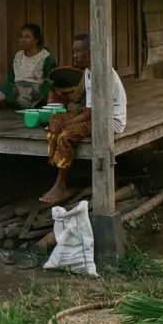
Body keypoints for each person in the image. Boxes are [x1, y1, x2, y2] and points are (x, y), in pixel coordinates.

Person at [39, 32, 126, 205]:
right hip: (94, 117)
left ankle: (61, 185)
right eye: (74, 51)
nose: (74, 55)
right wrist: (63, 118)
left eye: (78, 51)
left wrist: (67, 123)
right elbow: (87, 109)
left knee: (65, 134)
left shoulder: (103, 74)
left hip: (108, 122)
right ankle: (57, 162)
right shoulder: (88, 72)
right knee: (55, 120)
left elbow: (90, 114)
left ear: (91, 52)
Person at [0, 24, 55, 109]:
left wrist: (43, 95)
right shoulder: (18, 55)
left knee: (15, 95)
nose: (23, 40)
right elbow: (11, 77)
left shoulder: (45, 57)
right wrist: (6, 88)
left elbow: (49, 81)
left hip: (34, 90)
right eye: (21, 36)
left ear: (36, 40)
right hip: (15, 88)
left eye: (27, 37)